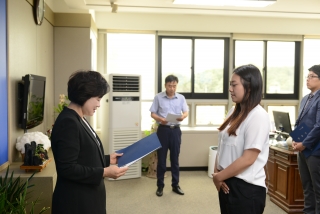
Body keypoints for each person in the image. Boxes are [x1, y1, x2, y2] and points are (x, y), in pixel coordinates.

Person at [51, 70, 128, 214]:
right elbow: (67, 168)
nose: (99, 104)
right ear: (84, 95)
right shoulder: (68, 122)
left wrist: (107, 159)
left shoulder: (79, 118)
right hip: (76, 202)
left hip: (88, 197)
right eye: (98, 99)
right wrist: (104, 172)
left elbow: (84, 155)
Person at [213, 64, 270, 214]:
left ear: (249, 87)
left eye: (234, 85)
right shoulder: (234, 110)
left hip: (246, 189)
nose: (230, 89)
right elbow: (222, 143)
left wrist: (218, 176)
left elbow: (248, 159)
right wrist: (217, 172)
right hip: (227, 181)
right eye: (230, 85)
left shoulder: (258, 116)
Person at [149, 74, 189, 197]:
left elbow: (186, 111)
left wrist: (183, 116)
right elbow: (152, 113)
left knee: (175, 159)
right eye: (169, 86)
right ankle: (160, 186)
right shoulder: (158, 97)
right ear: (165, 85)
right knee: (161, 160)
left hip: (176, 130)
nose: (172, 88)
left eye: (174, 86)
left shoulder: (181, 98)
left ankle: (175, 185)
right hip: (163, 130)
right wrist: (161, 119)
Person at [292, 65, 320, 213]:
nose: (308, 79)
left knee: (317, 189)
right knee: (306, 187)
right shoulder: (305, 99)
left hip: (315, 150)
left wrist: (304, 144)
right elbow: (300, 122)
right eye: (307, 76)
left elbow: (318, 126)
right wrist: (296, 140)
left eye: (312, 76)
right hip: (302, 149)